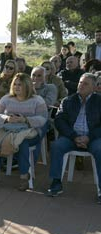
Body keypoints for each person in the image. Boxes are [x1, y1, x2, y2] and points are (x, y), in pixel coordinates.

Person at [46, 73, 101, 202]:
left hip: (93, 139)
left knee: (100, 149)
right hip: (72, 137)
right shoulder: (68, 101)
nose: (81, 85)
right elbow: (59, 120)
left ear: (94, 88)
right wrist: (74, 136)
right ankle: (56, 182)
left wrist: (88, 137)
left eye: (85, 83)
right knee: (57, 146)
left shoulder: (99, 102)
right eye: (80, 82)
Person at [0, 73, 48, 190]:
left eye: (20, 84)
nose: (16, 87)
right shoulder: (6, 99)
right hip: (9, 130)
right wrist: (7, 119)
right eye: (14, 84)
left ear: (27, 85)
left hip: (30, 132)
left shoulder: (37, 100)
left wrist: (25, 119)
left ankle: (24, 176)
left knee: (23, 144)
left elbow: (43, 119)